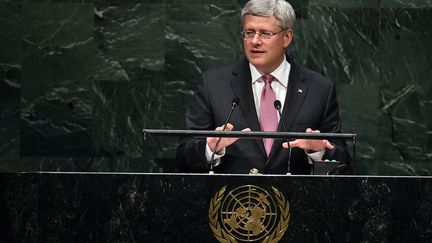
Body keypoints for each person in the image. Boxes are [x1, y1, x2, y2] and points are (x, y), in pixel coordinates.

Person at [176, 0, 349, 174]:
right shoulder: (213, 84)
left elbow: (343, 162)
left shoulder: (319, 89)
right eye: (249, 32)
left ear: (287, 37)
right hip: (233, 198)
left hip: (294, 198)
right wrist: (209, 148)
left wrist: (317, 151)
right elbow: (184, 156)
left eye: (265, 33)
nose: (255, 41)